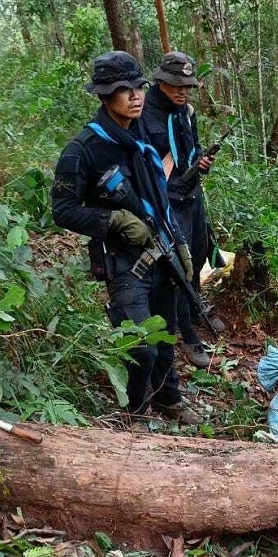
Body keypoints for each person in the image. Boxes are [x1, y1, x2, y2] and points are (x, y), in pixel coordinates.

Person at [51, 51, 201, 424]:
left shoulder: (143, 137)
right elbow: (63, 210)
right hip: (123, 262)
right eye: (123, 89)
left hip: (161, 251)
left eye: (138, 87)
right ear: (104, 96)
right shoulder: (84, 149)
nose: (135, 96)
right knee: (142, 345)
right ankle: (135, 413)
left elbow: (159, 199)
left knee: (165, 338)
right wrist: (114, 219)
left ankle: (170, 399)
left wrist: (179, 242)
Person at [140, 52, 225, 369]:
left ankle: (193, 309)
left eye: (187, 86)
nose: (182, 91)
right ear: (160, 81)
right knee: (179, 265)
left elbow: (194, 147)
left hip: (191, 195)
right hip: (165, 200)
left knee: (200, 253)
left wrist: (202, 162)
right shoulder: (143, 113)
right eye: (176, 85)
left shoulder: (186, 113)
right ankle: (187, 335)